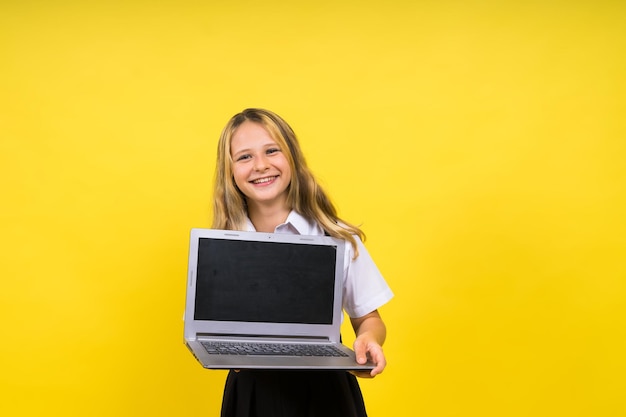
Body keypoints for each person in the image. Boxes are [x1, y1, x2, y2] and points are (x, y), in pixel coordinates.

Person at [211, 108, 394, 417]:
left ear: (292, 158)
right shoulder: (222, 245)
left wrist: (367, 339)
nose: (261, 165)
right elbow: (211, 327)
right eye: (244, 157)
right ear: (229, 171)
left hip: (327, 393)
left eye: (272, 150)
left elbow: (369, 319)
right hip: (252, 394)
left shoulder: (337, 237)